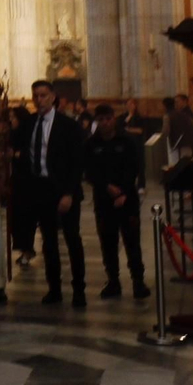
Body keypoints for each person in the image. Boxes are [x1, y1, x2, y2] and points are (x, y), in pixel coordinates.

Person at [27, 80, 86, 307]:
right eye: (35, 96)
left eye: (43, 95)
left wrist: (69, 193)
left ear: (53, 97)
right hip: (42, 191)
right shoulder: (31, 123)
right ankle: (54, 288)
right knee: (49, 242)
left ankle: (78, 290)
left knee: (72, 239)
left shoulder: (68, 125)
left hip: (64, 191)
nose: (39, 100)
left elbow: (77, 162)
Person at [84, 105, 151, 300]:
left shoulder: (127, 141)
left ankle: (138, 280)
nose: (104, 123)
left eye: (108, 118)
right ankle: (113, 281)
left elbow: (134, 167)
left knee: (132, 241)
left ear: (113, 119)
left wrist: (123, 191)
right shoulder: (91, 144)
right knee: (108, 242)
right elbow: (90, 171)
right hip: (104, 201)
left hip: (127, 199)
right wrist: (107, 187)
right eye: (101, 119)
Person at [8, 105, 38, 266]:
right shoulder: (12, 134)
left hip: (27, 182)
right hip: (16, 181)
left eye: (14, 117)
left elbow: (31, 153)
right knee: (16, 218)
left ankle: (28, 248)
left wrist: (17, 154)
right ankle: (23, 247)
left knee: (26, 217)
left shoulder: (28, 134)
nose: (11, 121)